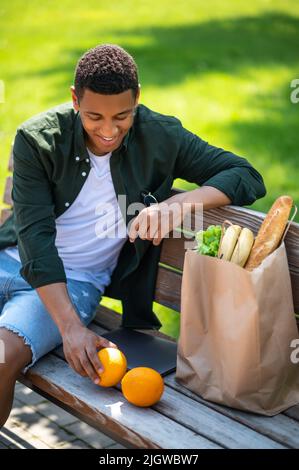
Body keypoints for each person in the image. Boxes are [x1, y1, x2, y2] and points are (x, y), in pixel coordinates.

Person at [0, 44, 266, 427]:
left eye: (122, 116)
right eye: (94, 117)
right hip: (17, 259)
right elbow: (35, 239)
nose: (109, 131)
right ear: (74, 100)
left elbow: (245, 175)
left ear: (137, 98)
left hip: (74, 283)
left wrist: (179, 205)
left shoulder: (160, 136)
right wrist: (71, 329)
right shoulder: (38, 140)